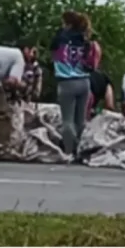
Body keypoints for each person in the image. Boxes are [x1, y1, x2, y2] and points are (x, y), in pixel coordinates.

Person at [51, 11, 99, 156]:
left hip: (66, 82)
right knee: (81, 120)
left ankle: (68, 151)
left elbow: (52, 52)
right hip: (84, 81)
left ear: (68, 24)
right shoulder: (85, 41)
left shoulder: (59, 40)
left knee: (67, 120)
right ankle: (81, 151)